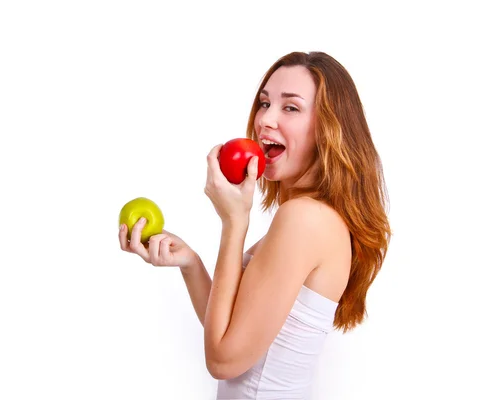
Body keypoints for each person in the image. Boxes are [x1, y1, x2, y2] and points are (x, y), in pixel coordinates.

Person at [118, 51, 391, 399]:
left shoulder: (304, 219)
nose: (265, 120)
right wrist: (190, 263)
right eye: (264, 103)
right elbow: (234, 332)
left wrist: (234, 222)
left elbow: (223, 361)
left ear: (329, 128)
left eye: (290, 108)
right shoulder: (311, 215)